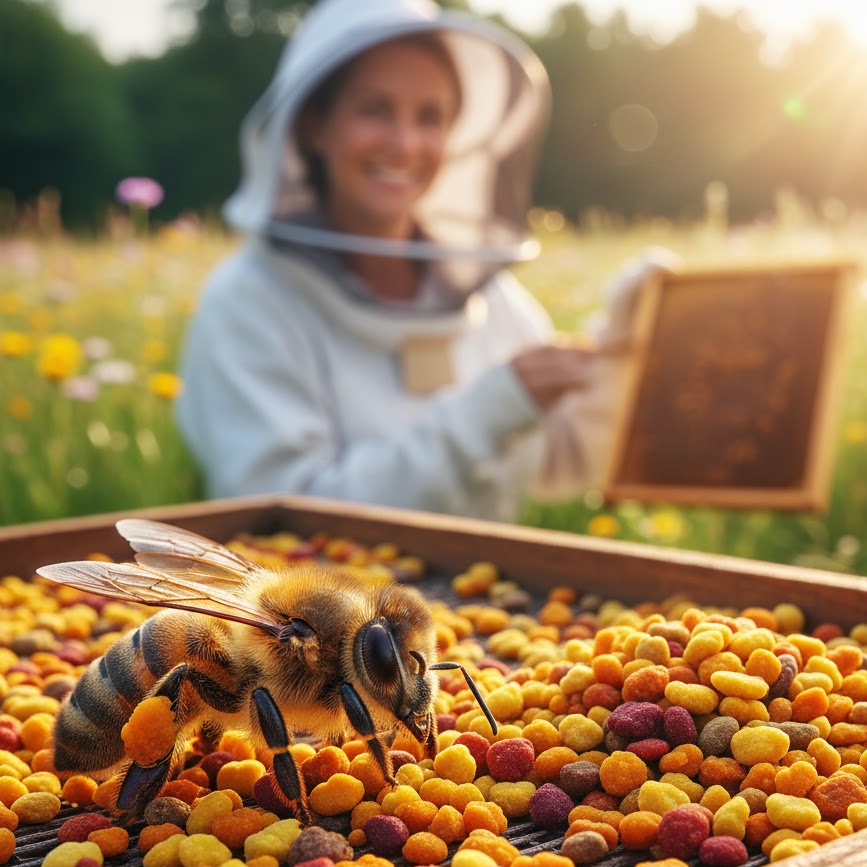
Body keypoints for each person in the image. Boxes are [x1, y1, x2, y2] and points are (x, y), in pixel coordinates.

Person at [176, 0, 632, 521]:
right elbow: (284, 516)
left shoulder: (496, 301)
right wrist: (488, 411)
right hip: (330, 604)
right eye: (375, 110)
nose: (405, 143)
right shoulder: (248, 302)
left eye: (430, 117)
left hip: (484, 598)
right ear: (314, 127)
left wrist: (625, 358)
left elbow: (557, 464)